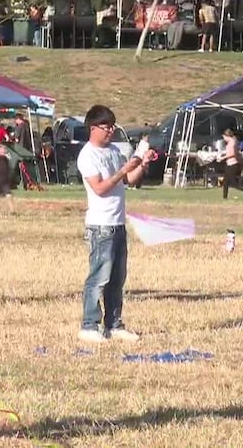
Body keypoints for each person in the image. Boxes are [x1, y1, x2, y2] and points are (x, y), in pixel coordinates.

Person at [76, 104, 155, 343]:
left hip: (119, 222)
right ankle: (89, 325)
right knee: (98, 277)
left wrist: (141, 164)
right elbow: (99, 188)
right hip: (100, 225)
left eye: (112, 126)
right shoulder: (87, 155)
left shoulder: (113, 151)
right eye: (106, 126)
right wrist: (123, 170)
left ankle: (113, 323)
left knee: (117, 279)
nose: (110, 130)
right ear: (93, 128)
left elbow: (129, 180)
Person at [218, 128, 243, 199]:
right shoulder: (231, 142)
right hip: (229, 163)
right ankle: (224, 197)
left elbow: (233, 153)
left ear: (227, 136)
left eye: (224, 137)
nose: (224, 139)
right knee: (226, 182)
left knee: (232, 182)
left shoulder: (232, 143)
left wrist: (223, 158)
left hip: (233, 163)